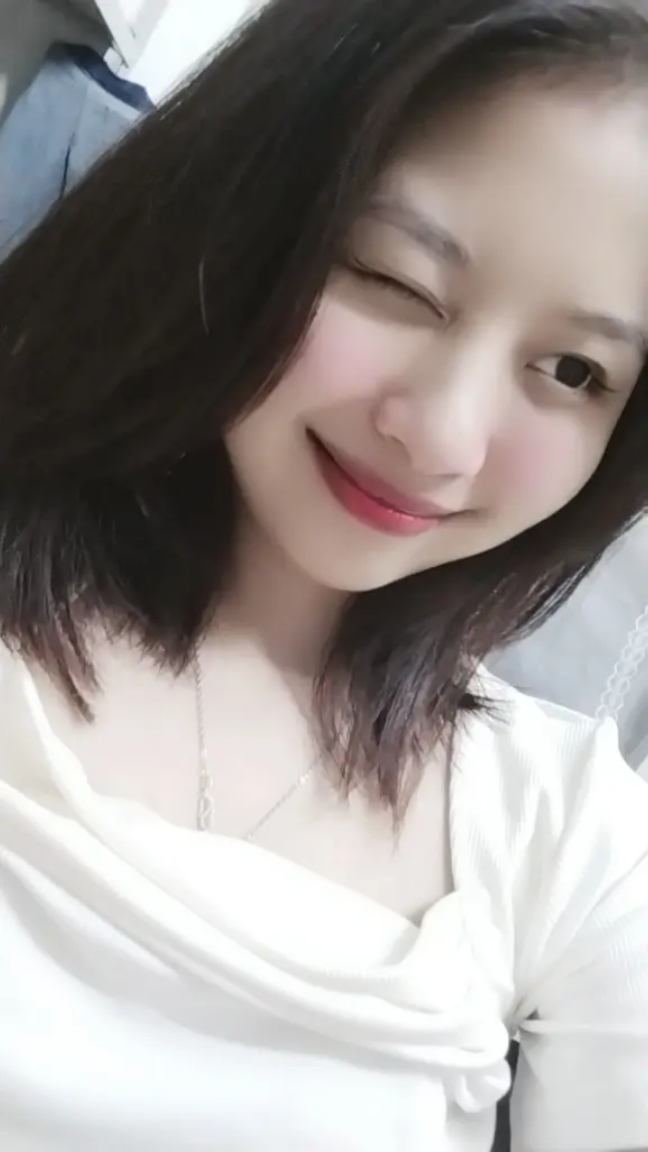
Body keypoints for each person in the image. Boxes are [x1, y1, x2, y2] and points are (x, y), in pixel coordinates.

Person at [0, 0, 647, 1148]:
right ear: (244, 204)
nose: (441, 437)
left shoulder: (567, 835)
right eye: (395, 280)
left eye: (570, 371)